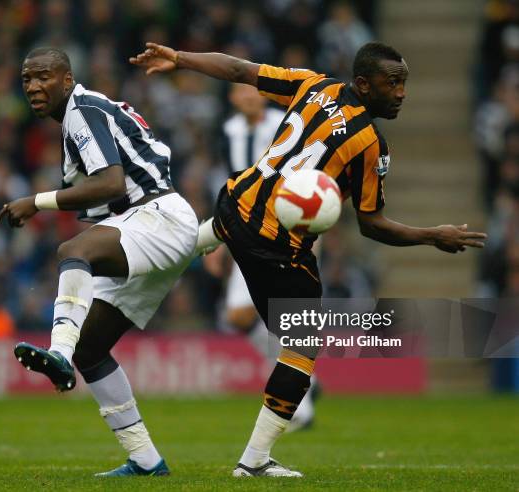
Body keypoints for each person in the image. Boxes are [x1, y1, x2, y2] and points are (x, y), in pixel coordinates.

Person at [130, 41, 487, 477]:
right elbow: (372, 225)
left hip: (235, 204)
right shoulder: (370, 144)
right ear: (362, 83)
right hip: (277, 248)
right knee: (302, 346)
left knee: (218, 239)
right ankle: (255, 462)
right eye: (392, 83)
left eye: (404, 83)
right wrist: (432, 236)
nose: (401, 93)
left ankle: (133, 261)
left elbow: (241, 70)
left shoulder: (312, 84)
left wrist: (182, 59)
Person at [0, 47, 198, 477]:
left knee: (73, 251)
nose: (33, 86)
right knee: (93, 348)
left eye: (43, 77)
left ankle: (58, 354)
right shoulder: (81, 118)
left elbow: (109, 183)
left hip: (156, 216)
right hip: (150, 222)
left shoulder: (81, 110)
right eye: (27, 79)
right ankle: (146, 460)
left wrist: (35, 201)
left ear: (67, 80)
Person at [207, 83, 318, 431]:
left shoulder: (286, 126)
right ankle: (304, 382)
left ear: (265, 95)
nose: (248, 96)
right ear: (232, 97)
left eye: (252, 90)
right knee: (240, 316)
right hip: (245, 232)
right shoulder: (229, 131)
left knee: (287, 316)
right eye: (240, 91)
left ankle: (302, 401)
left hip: (285, 230)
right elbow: (232, 185)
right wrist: (221, 240)